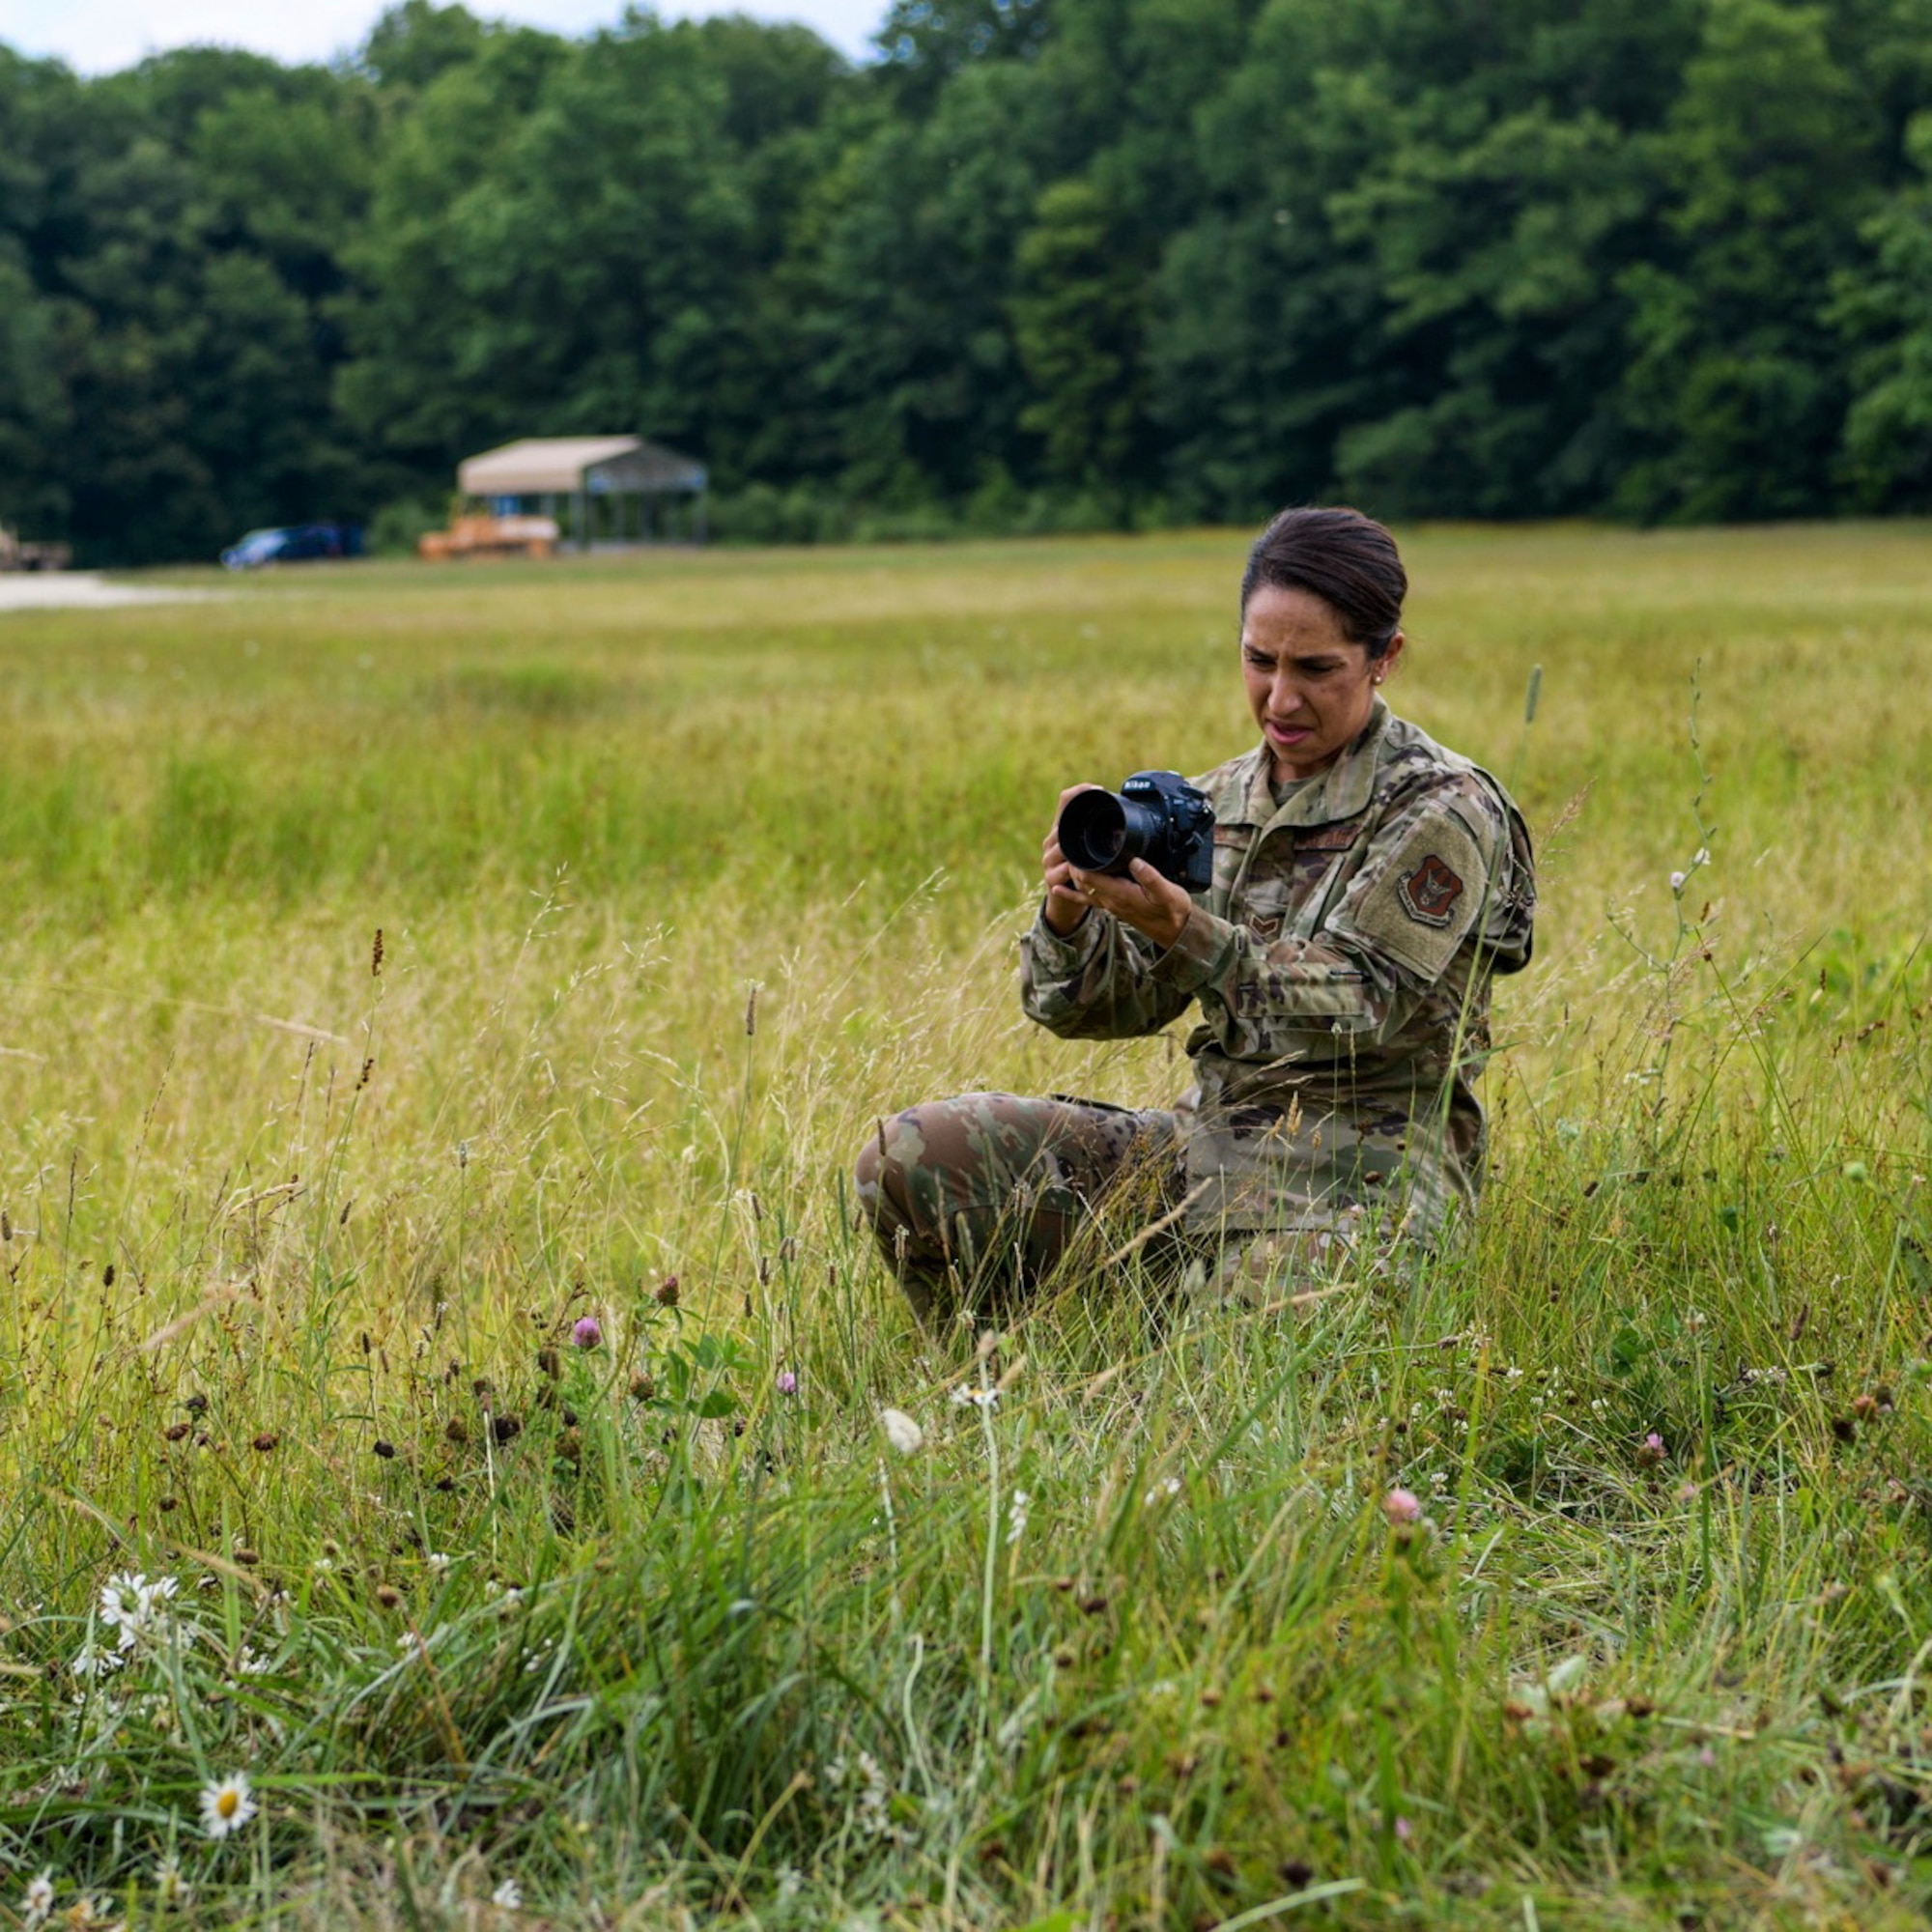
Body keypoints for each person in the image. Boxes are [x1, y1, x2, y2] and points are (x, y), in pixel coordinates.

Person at [854, 506, 1535, 1324]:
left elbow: (1362, 1003)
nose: (1280, 698)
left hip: (1365, 1174)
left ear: (1384, 658)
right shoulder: (1216, 803)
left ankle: (1154, 1353)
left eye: (1316, 669)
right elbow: (1096, 1011)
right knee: (912, 1157)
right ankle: (1003, 1385)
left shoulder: (1441, 808)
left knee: (1231, 1373)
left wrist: (1190, 933)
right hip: (1205, 1148)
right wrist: (1075, 917)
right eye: (1259, 661)